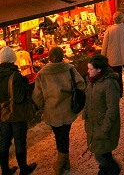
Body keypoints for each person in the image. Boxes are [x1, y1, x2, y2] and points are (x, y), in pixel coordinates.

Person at [32, 46, 85, 175]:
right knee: (64, 134)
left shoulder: (42, 73)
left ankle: (60, 164)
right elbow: (81, 84)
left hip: (52, 110)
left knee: (59, 135)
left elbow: (37, 96)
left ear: (49, 57)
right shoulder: (69, 69)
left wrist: (43, 106)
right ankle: (64, 162)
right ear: (62, 55)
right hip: (67, 108)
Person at [0, 46, 37, 175]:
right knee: (19, 140)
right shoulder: (14, 75)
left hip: (3, 114)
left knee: (4, 141)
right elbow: (20, 98)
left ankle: (5, 170)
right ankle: (23, 168)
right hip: (16, 114)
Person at [84, 55, 121, 175]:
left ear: (99, 70)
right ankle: (105, 169)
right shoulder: (92, 81)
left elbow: (112, 109)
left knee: (100, 153)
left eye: (90, 69)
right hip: (94, 124)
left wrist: (104, 128)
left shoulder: (109, 84)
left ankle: (113, 169)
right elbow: (88, 100)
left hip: (104, 125)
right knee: (103, 151)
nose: (88, 71)